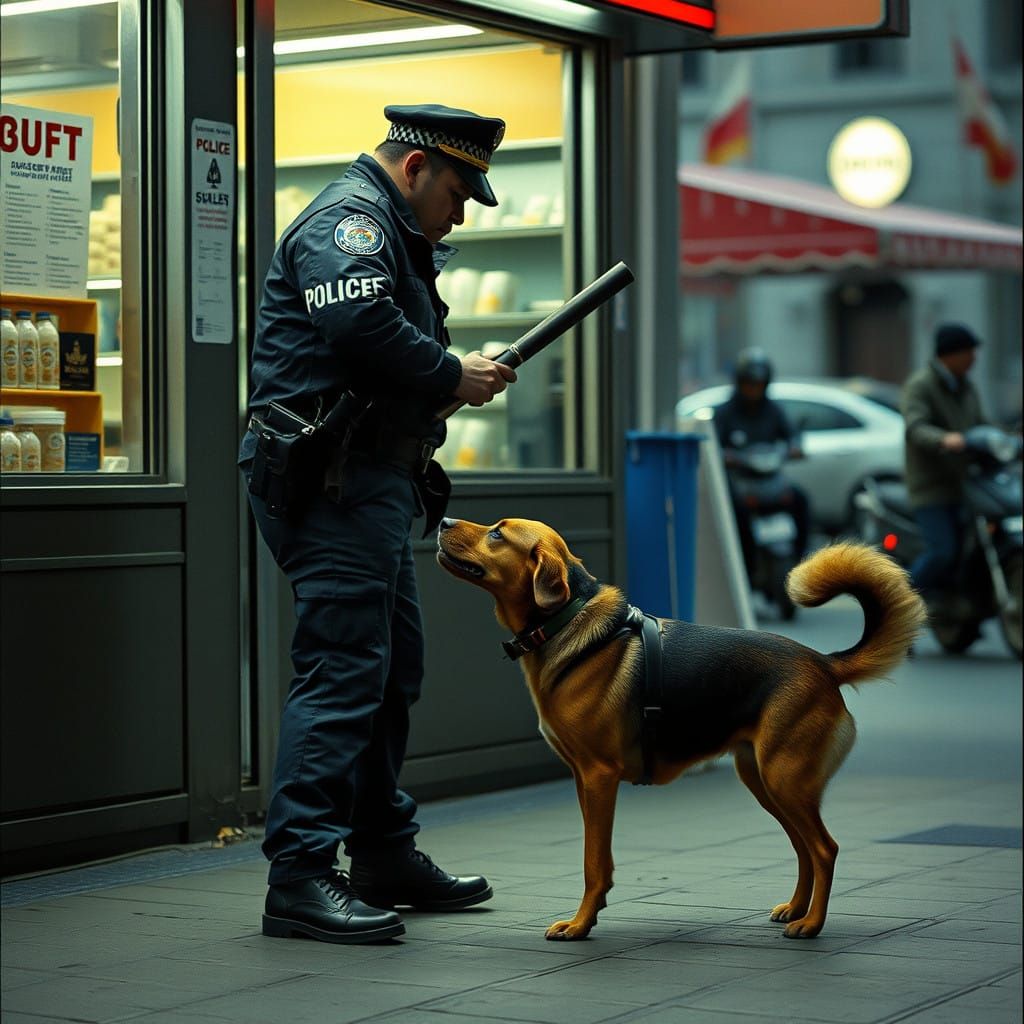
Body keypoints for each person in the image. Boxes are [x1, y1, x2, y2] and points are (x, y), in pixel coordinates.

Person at [239, 104, 517, 945]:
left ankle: (383, 853)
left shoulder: (391, 228)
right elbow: (358, 325)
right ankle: (299, 876)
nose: (461, 211)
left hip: (369, 481)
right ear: (414, 167)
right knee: (344, 668)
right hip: (333, 482)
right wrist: (449, 372)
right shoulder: (349, 221)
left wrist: (440, 379)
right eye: (458, 190)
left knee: (390, 667)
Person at [901, 322, 987, 603]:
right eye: (968, 351)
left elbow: (981, 425)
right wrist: (944, 439)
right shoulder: (920, 385)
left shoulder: (966, 386)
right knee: (942, 553)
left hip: (968, 485)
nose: (974, 357)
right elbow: (915, 427)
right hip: (932, 488)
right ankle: (894, 611)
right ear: (949, 354)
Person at [713, 348, 811, 576]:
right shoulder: (726, 412)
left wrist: (794, 447)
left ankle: (802, 565)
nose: (753, 389)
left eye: (758, 384)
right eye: (749, 383)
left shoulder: (773, 410)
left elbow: (791, 434)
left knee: (801, 501)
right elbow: (713, 444)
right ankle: (744, 573)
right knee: (737, 517)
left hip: (772, 480)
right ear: (739, 382)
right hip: (741, 482)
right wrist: (724, 456)